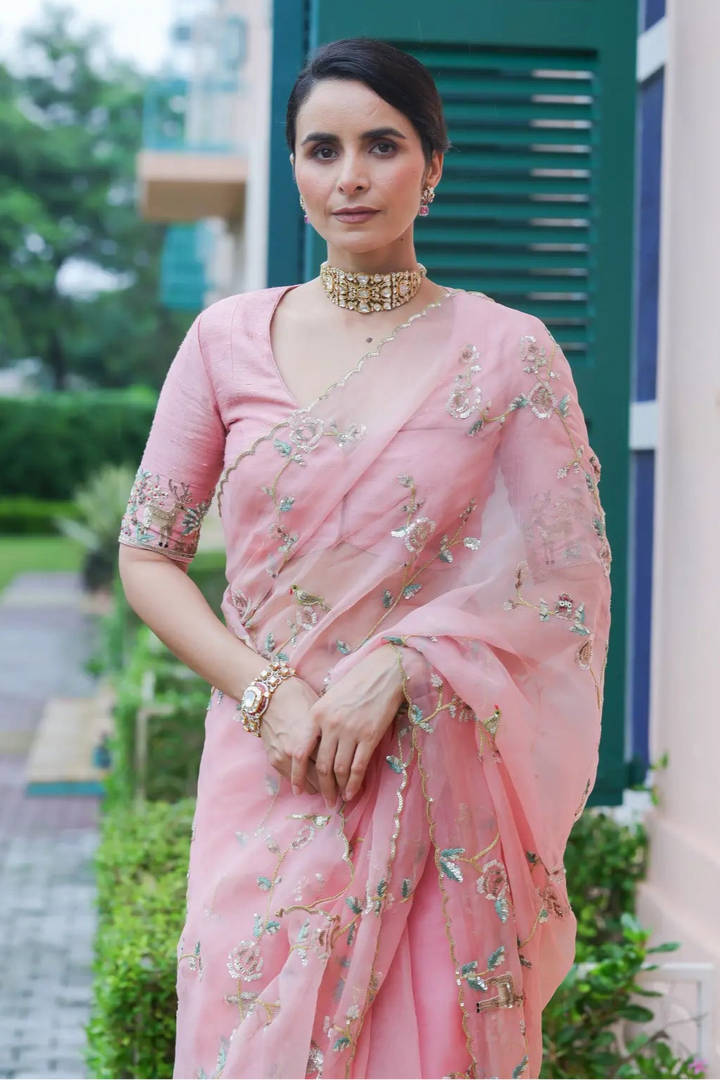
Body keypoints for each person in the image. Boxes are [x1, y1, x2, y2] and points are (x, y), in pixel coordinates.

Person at [118, 36, 611, 1080]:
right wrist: (268, 694)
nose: (349, 176)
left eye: (381, 145)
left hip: (432, 786)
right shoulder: (224, 340)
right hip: (268, 772)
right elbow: (147, 555)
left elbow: (567, 582)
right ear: (294, 167)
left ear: (432, 167)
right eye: (321, 149)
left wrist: (409, 662)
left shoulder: (507, 352)